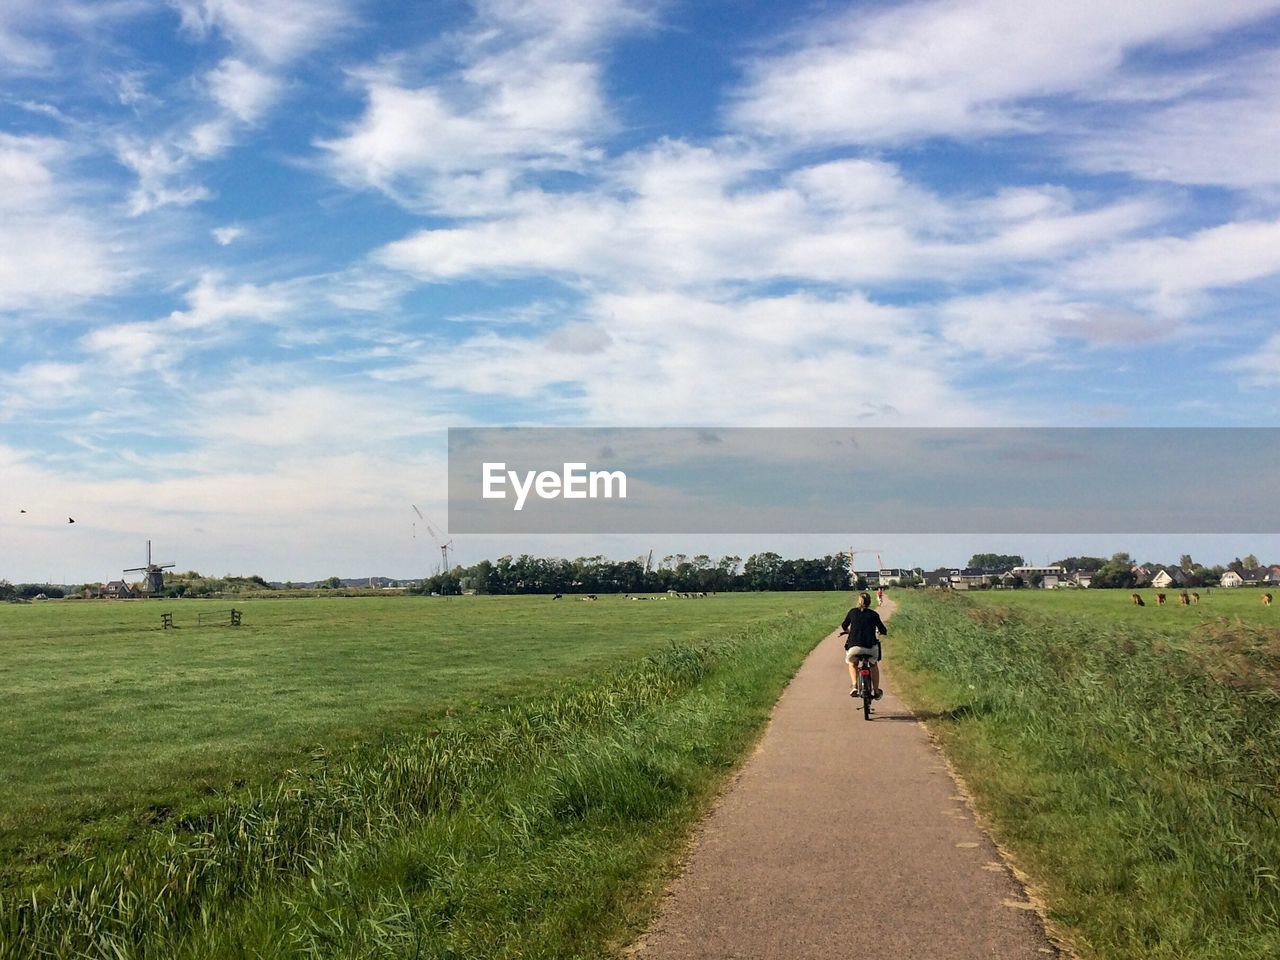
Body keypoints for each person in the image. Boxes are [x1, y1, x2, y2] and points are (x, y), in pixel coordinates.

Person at [840, 592, 887, 699]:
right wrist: (881, 632)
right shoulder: (874, 614)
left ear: (858, 601)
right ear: (869, 602)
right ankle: (876, 690)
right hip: (870, 647)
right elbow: (883, 629)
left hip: (854, 647)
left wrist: (848, 631)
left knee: (852, 663)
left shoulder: (852, 612)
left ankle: (854, 686)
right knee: (873, 665)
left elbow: (844, 625)